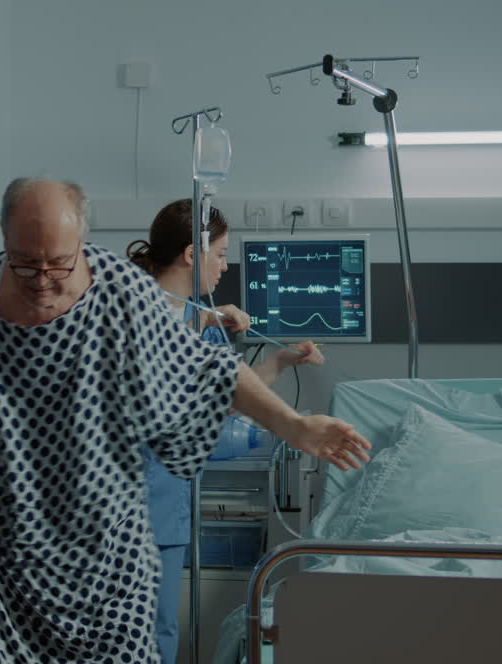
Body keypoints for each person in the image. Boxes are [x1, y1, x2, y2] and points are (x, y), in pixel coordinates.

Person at [0, 178, 371, 663]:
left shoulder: (120, 290)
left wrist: (293, 426)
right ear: (4, 240)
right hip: (3, 547)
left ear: (82, 244)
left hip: (107, 549)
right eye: (26, 263)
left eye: (59, 263)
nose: (43, 278)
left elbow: (214, 370)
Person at [127, 199, 326, 664]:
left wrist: (280, 361)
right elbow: (152, 336)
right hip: (129, 503)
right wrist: (204, 317)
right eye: (219, 254)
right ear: (191, 255)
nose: (225, 265)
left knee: (158, 633)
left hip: (167, 507)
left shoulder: (202, 321)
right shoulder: (128, 307)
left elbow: (231, 392)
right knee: (131, 636)